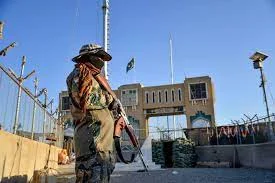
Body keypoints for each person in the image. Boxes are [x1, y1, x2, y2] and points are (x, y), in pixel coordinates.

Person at [66, 44, 116, 183]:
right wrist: (110, 99)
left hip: (100, 145)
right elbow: (84, 100)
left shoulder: (94, 75)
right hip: (92, 144)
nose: (102, 61)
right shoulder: (80, 73)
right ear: (90, 56)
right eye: (99, 56)